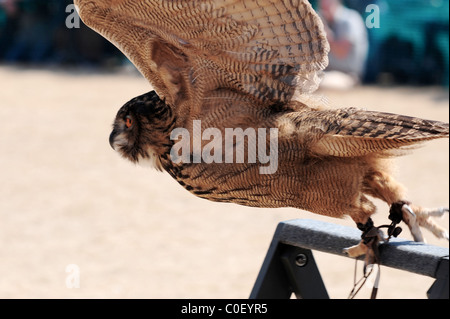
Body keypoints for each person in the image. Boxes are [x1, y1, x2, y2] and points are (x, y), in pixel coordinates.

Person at [319, 0, 369, 89]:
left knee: (316, 83)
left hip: (348, 76)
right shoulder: (324, 19)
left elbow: (341, 53)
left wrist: (325, 34)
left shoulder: (349, 20)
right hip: (327, 72)